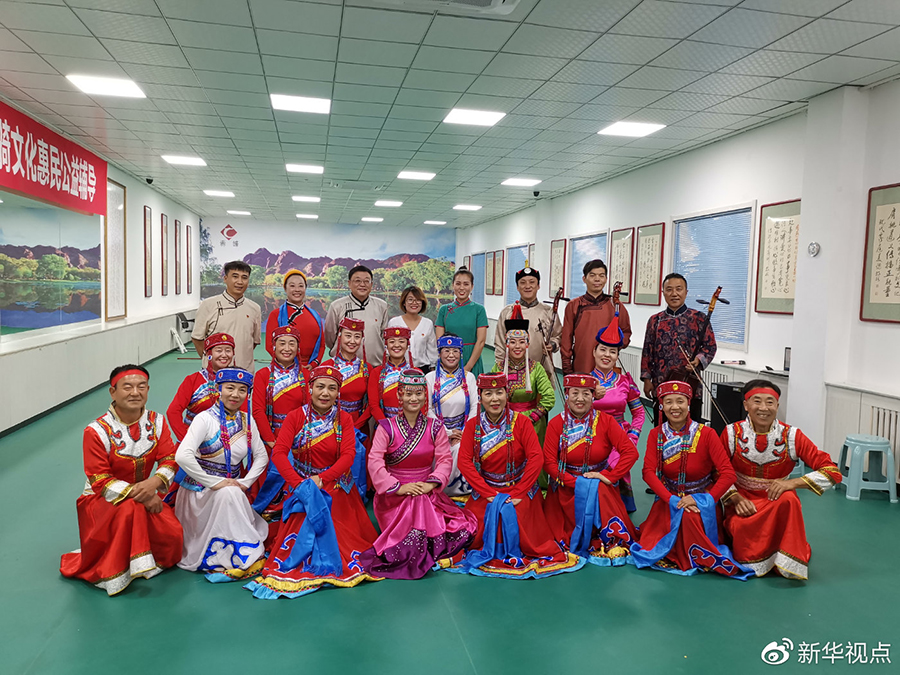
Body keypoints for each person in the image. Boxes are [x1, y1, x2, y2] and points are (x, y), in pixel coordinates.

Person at [245, 366, 380, 598]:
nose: (325, 393)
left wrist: (322, 478)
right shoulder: (295, 417)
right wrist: (298, 484)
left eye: (332, 388)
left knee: (340, 533)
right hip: (303, 485)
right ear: (310, 389)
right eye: (320, 387)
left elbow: (348, 456)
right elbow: (279, 453)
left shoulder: (344, 419)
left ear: (338, 392)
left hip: (335, 486)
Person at [60, 365, 183, 596]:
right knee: (129, 510)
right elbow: (100, 481)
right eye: (127, 387)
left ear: (148, 390)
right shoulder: (96, 431)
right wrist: (144, 496)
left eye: (141, 386)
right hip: (102, 499)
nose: (135, 392)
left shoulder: (157, 421)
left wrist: (153, 484)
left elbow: (169, 458)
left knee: (174, 536)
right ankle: (117, 569)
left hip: (146, 492)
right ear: (112, 392)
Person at [451, 374, 584, 579]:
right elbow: (464, 462)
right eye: (488, 394)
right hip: (488, 490)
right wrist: (488, 493)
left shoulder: (521, 422)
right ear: (480, 397)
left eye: (499, 393)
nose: (494, 399)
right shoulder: (472, 426)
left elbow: (536, 458)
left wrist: (520, 492)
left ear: (507, 395)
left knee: (524, 527)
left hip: (519, 488)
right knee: (475, 534)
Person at [359, 369, 477, 579]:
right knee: (416, 502)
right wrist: (399, 487)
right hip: (394, 496)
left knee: (458, 523)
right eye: (408, 393)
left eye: (418, 393)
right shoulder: (386, 428)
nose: (413, 398)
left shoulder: (435, 427)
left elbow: (444, 459)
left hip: (427, 490)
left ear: (425, 396)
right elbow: (375, 461)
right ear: (400, 395)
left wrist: (431, 484)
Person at [630, 379, 752, 579]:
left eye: (680, 401)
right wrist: (671, 500)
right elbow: (648, 472)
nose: (675, 407)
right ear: (661, 406)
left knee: (689, 517)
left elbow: (728, 473)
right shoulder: (655, 435)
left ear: (688, 404)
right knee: (653, 541)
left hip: (701, 498)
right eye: (669, 402)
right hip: (670, 500)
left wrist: (704, 500)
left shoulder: (707, 434)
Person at [721, 380, 842, 580]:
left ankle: (785, 560)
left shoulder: (792, 436)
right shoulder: (731, 433)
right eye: (756, 401)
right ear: (746, 405)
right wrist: (735, 498)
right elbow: (717, 471)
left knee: (789, 499)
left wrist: (791, 483)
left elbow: (832, 472)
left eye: (770, 402)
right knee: (740, 526)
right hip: (743, 499)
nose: (763, 408)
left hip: (775, 499)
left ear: (777, 406)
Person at [174, 367, 269, 580]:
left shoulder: (247, 420)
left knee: (231, 493)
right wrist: (214, 483)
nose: (235, 395)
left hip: (231, 488)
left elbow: (261, 456)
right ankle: (231, 553)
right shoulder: (204, 419)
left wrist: (245, 483)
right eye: (230, 388)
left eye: (242, 390)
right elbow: (182, 456)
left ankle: (237, 549)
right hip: (199, 491)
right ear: (219, 390)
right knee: (229, 493)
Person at [542, 374, 639, 566]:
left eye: (586, 393)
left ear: (593, 396)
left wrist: (610, 477)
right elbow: (549, 462)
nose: (580, 399)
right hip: (566, 487)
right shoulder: (556, 424)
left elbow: (630, 453)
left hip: (598, 484)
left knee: (600, 491)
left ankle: (607, 538)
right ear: (567, 395)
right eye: (575, 393)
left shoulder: (606, 421)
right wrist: (575, 482)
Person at [640, 273, 716, 424]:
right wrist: (646, 379)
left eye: (679, 289)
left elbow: (710, 346)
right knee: (662, 427)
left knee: (692, 428)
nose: (674, 293)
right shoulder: (655, 320)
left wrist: (698, 360)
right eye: (669, 289)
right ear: (663, 293)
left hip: (690, 385)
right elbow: (647, 351)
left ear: (686, 292)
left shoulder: (699, 318)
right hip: (661, 382)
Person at [590, 316, 645, 512]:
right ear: (594, 351)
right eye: (603, 349)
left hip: (619, 436)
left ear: (617, 356)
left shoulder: (625, 382)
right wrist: (591, 397)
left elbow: (639, 413)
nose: (607, 355)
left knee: (617, 467)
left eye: (612, 352)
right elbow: (570, 411)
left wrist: (632, 436)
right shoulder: (584, 382)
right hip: (591, 434)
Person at [321, 317, 372, 496]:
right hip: (330, 424)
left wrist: (355, 427)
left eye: (357, 337)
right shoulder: (327, 367)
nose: (352, 341)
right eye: (348, 335)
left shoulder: (367, 369)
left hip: (358, 424)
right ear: (339, 337)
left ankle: (356, 495)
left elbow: (371, 404)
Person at [491, 303, 555, 444]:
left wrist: (532, 417)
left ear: (527, 344)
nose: (517, 346)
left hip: (532, 423)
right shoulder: (499, 368)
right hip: (505, 421)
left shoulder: (536, 368)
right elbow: (490, 395)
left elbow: (549, 397)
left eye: (521, 342)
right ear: (507, 344)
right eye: (513, 342)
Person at [425, 335, 478, 497]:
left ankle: (459, 491)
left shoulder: (469, 377)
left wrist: (464, 432)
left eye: (455, 351)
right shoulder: (429, 378)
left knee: (460, 448)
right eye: (446, 351)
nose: (451, 355)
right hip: (436, 431)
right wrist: (446, 432)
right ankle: (439, 489)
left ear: (461, 354)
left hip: (463, 431)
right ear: (439, 353)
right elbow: (427, 409)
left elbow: (475, 406)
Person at [494, 266, 561, 389]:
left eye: (532, 282)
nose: (527, 286)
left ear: (538, 285)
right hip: (512, 370)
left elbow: (558, 335)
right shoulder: (508, 312)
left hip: (542, 368)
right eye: (523, 283)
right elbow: (500, 343)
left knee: (543, 398)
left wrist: (553, 344)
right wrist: (500, 367)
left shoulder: (548, 311)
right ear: (517, 287)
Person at [561, 259, 631, 376]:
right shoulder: (574, 305)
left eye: (601, 275)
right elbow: (566, 338)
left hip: (607, 365)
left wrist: (612, 349)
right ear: (584, 279)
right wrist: (566, 365)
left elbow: (626, 333)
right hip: (581, 363)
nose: (597, 279)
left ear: (606, 279)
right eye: (592, 275)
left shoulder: (616, 305)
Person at [192, 261, 261, 371]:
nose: (240, 282)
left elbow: (253, 342)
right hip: (214, 373)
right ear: (225, 278)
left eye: (244, 277)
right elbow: (197, 338)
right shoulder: (208, 305)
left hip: (244, 373)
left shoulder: (255, 308)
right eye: (235, 276)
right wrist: (209, 359)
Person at [167, 332, 237, 442]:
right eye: (219, 351)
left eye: (228, 351)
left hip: (228, 441)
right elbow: (173, 412)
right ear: (209, 354)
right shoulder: (193, 380)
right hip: (196, 442)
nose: (224, 355)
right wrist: (187, 440)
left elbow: (243, 414)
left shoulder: (238, 382)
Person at [252, 325, 309, 451]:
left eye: (292, 344)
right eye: (282, 343)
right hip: (271, 437)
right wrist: (270, 440)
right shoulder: (263, 375)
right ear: (274, 346)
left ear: (298, 348)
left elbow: (309, 408)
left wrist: (300, 437)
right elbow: (258, 410)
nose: (287, 349)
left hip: (299, 437)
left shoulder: (306, 375)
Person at [324, 265, 389, 365]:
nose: (362, 284)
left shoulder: (382, 306)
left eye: (366, 281)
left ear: (371, 284)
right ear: (349, 283)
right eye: (357, 281)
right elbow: (330, 338)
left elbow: (384, 336)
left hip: (375, 365)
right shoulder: (337, 306)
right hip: (343, 366)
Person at [265, 269, 326, 367]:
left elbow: (322, 345)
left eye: (301, 286)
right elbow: (269, 346)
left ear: (305, 288)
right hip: (285, 369)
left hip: (312, 369)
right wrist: (292, 366)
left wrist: (314, 364)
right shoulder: (276, 315)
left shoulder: (316, 315)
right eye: (292, 286)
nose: (297, 290)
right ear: (285, 288)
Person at [435, 267, 488, 376]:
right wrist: (447, 362)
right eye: (458, 284)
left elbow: (481, 341)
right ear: (453, 285)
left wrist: (468, 367)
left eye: (466, 284)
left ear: (472, 286)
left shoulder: (479, 310)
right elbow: (439, 340)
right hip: (448, 358)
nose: (462, 288)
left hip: (472, 359)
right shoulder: (444, 310)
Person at [388, 286, 438, 373]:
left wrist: (432, 371)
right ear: (404, 302)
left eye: (418, 300)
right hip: (398, 369)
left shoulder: (427, 323)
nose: (414, 303)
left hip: (422, 370)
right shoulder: (394, 322)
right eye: (410, 299)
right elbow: (388, 349)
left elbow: (432, 350)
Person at [368, 326, 412, 423]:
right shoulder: (376, 372)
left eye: (401, 341)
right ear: (386, 346)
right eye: (392, 342)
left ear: (407, 345)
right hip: (384, 426)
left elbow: (422, 404)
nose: (396, 345)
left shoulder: (416, 373)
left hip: (411, 426)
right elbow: (373, 405)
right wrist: (387, 427)